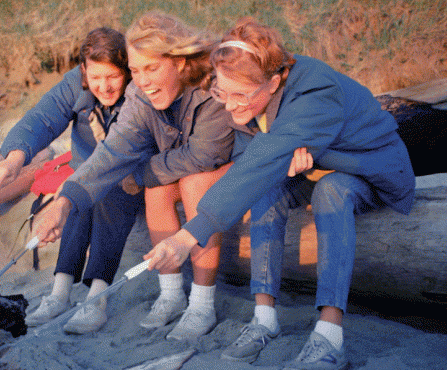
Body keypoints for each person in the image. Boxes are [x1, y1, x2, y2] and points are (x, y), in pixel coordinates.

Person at [143, 17, 415, 370]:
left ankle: (329, 335)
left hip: (368, 168)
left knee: (330, 190)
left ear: (273, 82)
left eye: (240, 95)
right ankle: (264, 318)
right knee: (266, 188)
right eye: (221, 93)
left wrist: (188, 235)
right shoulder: (248, 100)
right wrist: (291, 155)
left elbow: (265, 157)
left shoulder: (317, 89)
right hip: (312, 166)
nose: (229, 105)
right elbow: (253, 161)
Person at [30, 12, 309, 341]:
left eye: (151, 68)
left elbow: (208, 155)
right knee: (157, 189)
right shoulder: (140, 95)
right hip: (194, 163)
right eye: (135, 71)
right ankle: (172, 293)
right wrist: (63, 202)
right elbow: (113, 150)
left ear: (178, 62)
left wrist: (138, 173)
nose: (142, 80)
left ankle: (202, 304)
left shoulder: (211, 83)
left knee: (194, 184)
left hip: (249, 160)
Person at [0, 27, 142, 334]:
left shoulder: (138, 92)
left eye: (113, 76)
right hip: (86, 170)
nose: (104, 86)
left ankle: (97, 298)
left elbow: (123, 153)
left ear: (126, 71)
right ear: (84, 71)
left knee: (107, 192)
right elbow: (42, 119)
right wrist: (15, 159)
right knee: (73, 194)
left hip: (129, 171)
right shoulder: (75, 84)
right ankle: (60, 291)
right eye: (96, 77)